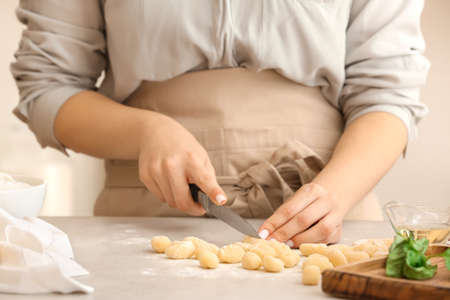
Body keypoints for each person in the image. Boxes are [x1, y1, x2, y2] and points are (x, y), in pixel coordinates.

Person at [10, 1, 429, 247]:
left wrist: (335, 194)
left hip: (329, 223)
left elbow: (387, 94)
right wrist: (147, 131)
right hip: (144, 222)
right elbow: (48, 89)